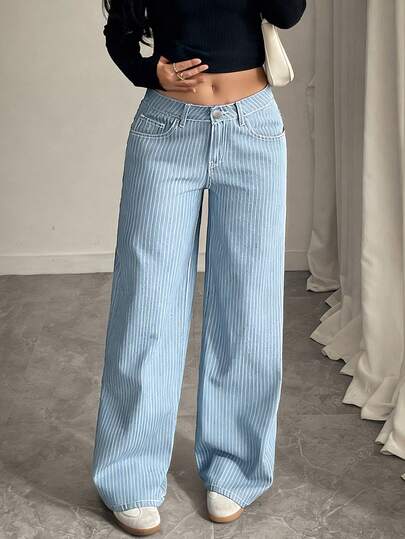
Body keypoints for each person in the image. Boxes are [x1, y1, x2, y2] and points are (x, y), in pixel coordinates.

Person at [91, 0, 307, 535]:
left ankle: (235, 468)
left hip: (252, 127)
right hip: (166, 129)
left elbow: (288, 11)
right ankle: (129, 474)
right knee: (146, 305)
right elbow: (121, 29)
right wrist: (150, 71)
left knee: (248, 306)